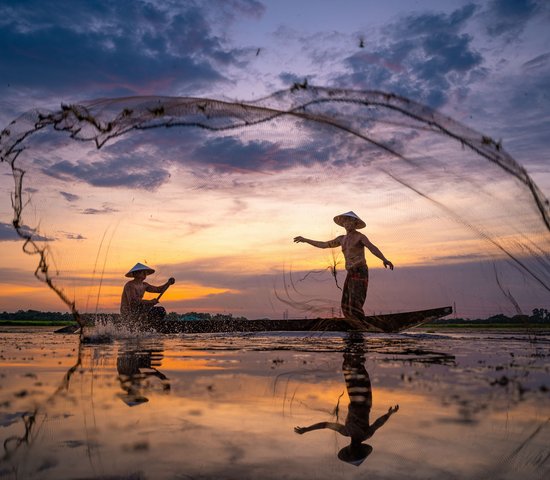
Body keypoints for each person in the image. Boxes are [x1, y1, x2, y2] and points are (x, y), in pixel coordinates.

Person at [294, 333, 399, 466]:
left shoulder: (345, 432)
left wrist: (306, 429)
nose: (354, 449)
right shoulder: (366, 434)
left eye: (351, 452)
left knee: (347, 366)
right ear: (361, 449)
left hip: (353, 397)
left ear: (349, 449)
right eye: (356, 452)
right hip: (365, 399)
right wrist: (389, 414)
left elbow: (325, 425)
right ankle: (357, 339)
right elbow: (378, 423)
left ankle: (350, 339)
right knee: (358, 367)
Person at [294, 211, 393, 330]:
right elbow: (324, 244)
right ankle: (354, 324)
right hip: (350, 273)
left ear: (355, 223)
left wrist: (384, 259)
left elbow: (372, 248)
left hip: (360, 271)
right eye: (345, 221)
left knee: (355, 301)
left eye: (350, 221)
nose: (347, 224)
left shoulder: (360, 237)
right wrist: (306, 240)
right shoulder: (342, 239)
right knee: (345, 303)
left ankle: (363, 326)